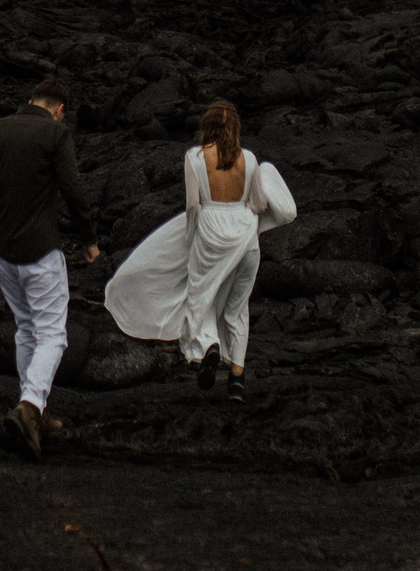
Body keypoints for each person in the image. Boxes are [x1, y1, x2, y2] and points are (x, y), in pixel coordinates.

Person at [103, 100, 289, 400]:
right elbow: (257, 204)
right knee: (236, 308)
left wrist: (190, 236)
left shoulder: (195, 157)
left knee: (201, 296)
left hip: (210, 234)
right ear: (236, 128)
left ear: (207, 127)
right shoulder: (250, 159)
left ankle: (209, 347)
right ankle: (237, 380)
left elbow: (193, 205)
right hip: (246, 241)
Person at [0, 76, 98, 461]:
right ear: (59, 110)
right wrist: (89, 239)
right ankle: (31, 405)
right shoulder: (55, 135)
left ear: (32, 99)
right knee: (53, 333)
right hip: (40, 251)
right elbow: (73, 190)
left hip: (1, 252)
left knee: (26, 328)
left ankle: (34, 410)